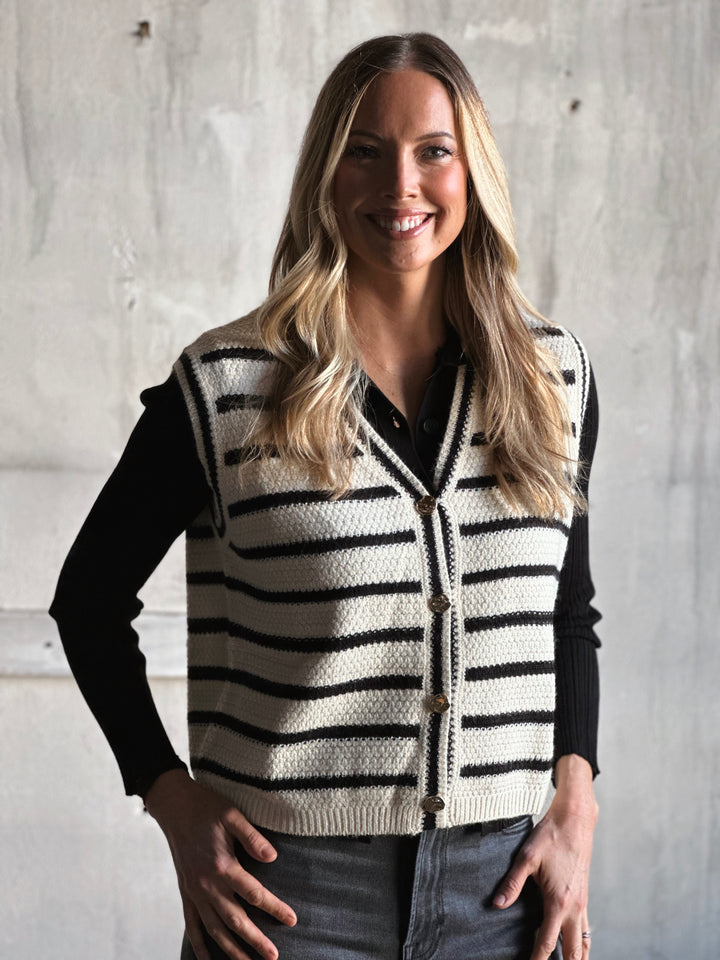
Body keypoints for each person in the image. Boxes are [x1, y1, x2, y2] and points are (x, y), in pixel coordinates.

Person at [49, 32, 601, 960]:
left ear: (473, 170)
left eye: (434, 151)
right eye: (365, 151)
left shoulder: (556, 379)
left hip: (507, 893)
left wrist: (577, 801)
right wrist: (170, 799)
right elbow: (89, 602)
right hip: (289, 900)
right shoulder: (227, 388)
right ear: (325, 176)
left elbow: (566, 612)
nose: (401, 186)